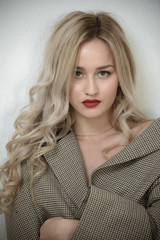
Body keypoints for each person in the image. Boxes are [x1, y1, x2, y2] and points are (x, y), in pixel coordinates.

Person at [0, 11, 160, 240]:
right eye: (77, 73)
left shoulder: (154, 144)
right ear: (59, 76)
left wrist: (68, 231)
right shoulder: (33, 155)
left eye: (103, 73)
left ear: (121, 75)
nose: (91, 89)